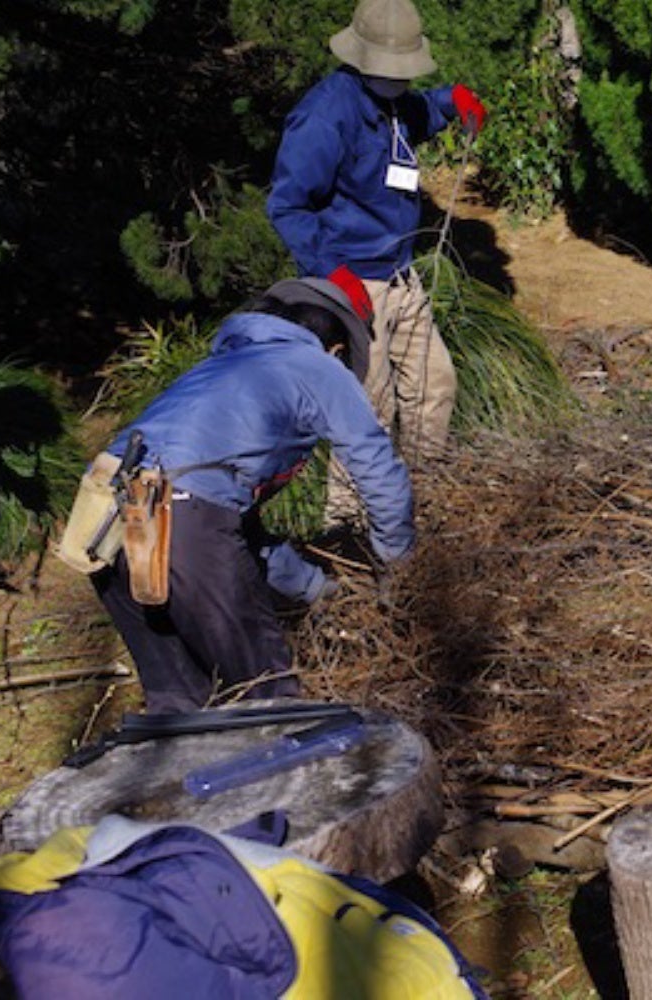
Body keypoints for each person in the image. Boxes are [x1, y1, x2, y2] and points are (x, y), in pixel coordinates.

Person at [87, 277, 415, 713]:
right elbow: (377, 467)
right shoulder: (314, 365)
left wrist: (317, 590)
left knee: (179, 706)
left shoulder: (215, 372)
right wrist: (403, 564)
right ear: (335, 347)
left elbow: (238, 534)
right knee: (267, 697)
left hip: (101, 522)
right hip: (181, 517)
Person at [266, 0, 486, 488]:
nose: (400, 80)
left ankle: (420, 493)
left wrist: (452, 100)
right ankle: (350, 529)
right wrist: (333, 275)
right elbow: (287, 206)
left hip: (401, 272)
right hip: (354, 281)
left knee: (434, 384)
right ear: (361, 59)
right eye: (392, 72)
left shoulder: (393, 100)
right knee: (369, 411)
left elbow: (417, 114)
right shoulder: (324, 118)